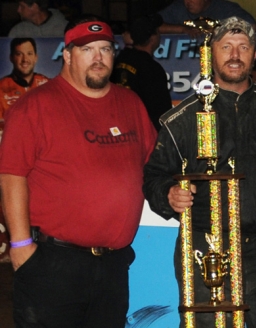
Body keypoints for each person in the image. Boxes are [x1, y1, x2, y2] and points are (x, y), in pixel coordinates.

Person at [143, 16, 256, 327]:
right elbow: (154, 175)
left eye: (242, 47)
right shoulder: (181, 119)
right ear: (212, 54)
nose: (235, 55)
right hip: (204, 252)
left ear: (254, 55)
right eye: (226, 47)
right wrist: (167, 194)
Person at [0, 17, 156, 327]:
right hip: (52, 263)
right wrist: (20, 246)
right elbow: (11, 175)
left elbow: (155, 164)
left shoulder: (130, 103)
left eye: (105, 49)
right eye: (87, 50)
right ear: (68, 55)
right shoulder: (35, 106)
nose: (98, 58)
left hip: (113, 265)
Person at [111, 14, 172, 131]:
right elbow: (162, 114)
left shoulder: (118, 61)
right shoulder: (152, 69)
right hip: (144, 133)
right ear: (153, 39)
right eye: (158, 33)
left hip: (119, 129)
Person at [0, 38, 49, 119]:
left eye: (29, 54)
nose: (25, 59)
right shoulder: (1, 88)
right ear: (11, 58)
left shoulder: (48, 85)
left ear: (35, 57)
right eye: (19, 54)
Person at [158, 0, 256, 38]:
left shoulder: (224, 8)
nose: (188, 2)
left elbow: (251, 26)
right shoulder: (177, 8)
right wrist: (183, 29)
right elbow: (151, 25)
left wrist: (215, 30)